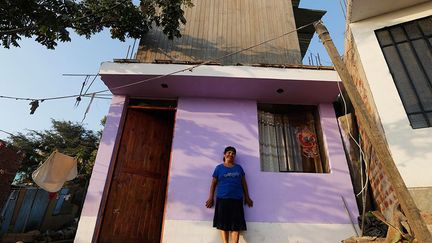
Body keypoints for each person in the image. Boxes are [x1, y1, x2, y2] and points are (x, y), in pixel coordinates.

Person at [205, 146, 253, 243]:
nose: (231, 154)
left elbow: (244, 183)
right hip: (222, 199)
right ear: (224, 154)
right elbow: (213, 184)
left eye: (233, 153)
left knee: (236, 225)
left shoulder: (239, 168)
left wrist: (247, 197)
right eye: (229, 152)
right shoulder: (219, 168)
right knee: (223, 224)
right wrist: (211, 198)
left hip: (237, 200)